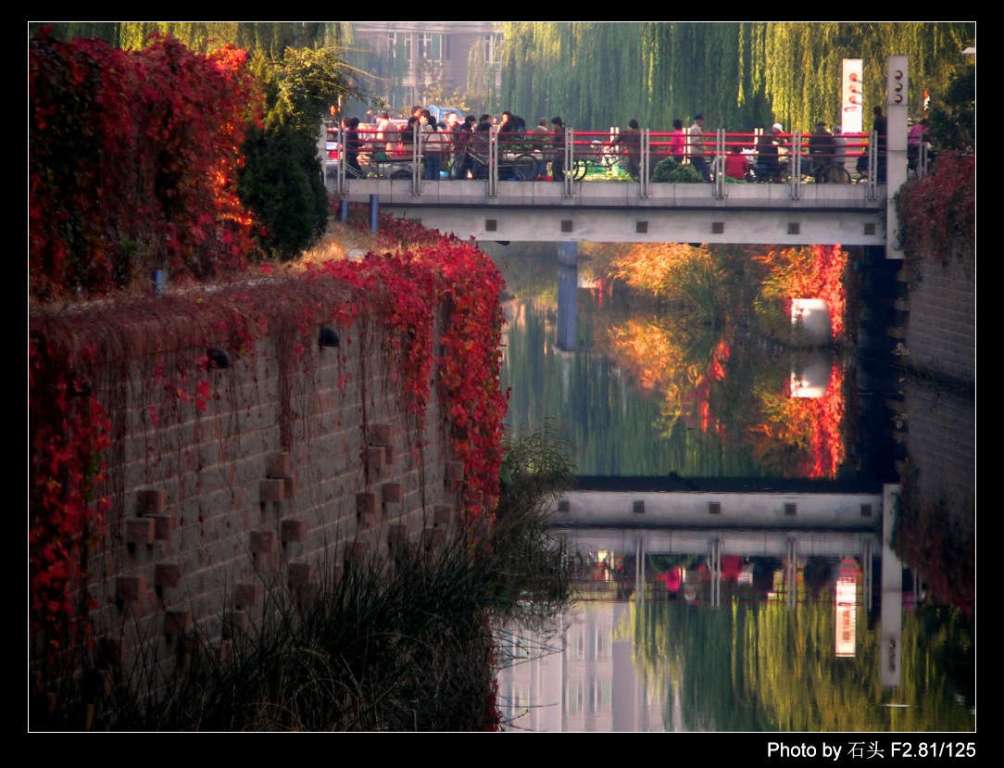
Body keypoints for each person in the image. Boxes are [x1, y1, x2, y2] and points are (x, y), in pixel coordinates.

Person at [688, 113, 710, 181]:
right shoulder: (695, 129)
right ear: (698, 120)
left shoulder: (695, 128)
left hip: (695, 153)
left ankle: (698, 181)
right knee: (704, 169)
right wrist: (703, 148)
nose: (703, 122)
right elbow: (695, 141)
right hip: (696, 153)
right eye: (702, 120)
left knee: (697, 169)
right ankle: (706, 181)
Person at [872, 106, 887, 183]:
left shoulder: (877, 120)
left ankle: (879, 177)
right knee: (884, 161)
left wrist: (873, 143)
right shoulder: (885, 119)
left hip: (880, 144)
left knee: (878, 161)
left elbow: (875, 133)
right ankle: (883, 177)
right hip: (886, 144)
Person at [550, 116, 565, 182]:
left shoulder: (561, 132)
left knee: (555, 167)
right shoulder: (559, 131)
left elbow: (559, 142)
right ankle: (559, 179)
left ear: (556, 124)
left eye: (553, 124)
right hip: (559, 151)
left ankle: (558, 180)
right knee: (556, 167)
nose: (552, 126)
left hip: (561, 151)